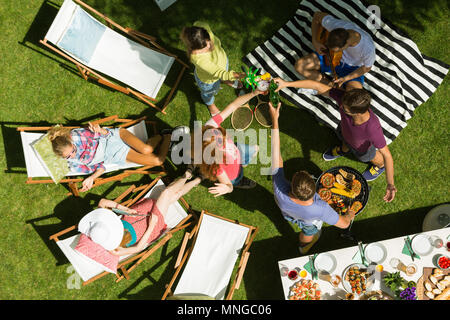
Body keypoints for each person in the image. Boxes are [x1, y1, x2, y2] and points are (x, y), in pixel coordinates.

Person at [274, 77, 397, 202]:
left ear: (357, 113)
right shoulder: (347, 100)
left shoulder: (372, 128)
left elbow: (387, 155)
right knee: (344, 141)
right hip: (345, 132)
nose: (341, 107)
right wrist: (286, 83)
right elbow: (317, 86)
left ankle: (380, 166)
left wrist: (390, 184)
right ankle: (342, 150)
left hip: (362, 149)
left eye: (345, 109)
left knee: (372, 158)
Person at [268, 100, 356, 254]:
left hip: (288, 212)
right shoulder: (320, 208)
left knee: (301, 225)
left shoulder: (280, 187)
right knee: (309, 230)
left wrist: (274, 120)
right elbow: (343, 224)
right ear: (314, 189)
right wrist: (350, 214)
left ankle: (303, 247)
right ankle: (305, 245)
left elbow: (275, 153)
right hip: (309, 221)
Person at [79, 171, 202, 256]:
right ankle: (188, 174)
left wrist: (125, 209)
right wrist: (152, 225)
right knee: (167, 193)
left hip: (138, 213)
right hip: (150, 226)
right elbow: (138, 248)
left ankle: (198, 179)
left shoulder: (104, 224)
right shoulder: (114, 248)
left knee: (172, 195)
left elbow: (102, 202)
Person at [48, 122, 170, 192]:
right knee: (157, 160)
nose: (73, 155)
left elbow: (106, 133)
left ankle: (164, 136)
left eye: (73, 150)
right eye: (68, 156)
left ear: (70, 141)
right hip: (116, 154)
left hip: (114, 137)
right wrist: (92, 178)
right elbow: (101, 166)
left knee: (147, 150)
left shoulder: (78, 135)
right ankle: (166, 136)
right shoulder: (74, 164)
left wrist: (100, 130)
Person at [189, 90, 262, 197]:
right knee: (237, 177)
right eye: (219, 141)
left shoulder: (211, 125)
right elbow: (228, 186)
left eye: (215, 131)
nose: (221, 134)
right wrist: (227, 188)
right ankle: (240, 182)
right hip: (233, 174)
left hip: (237, 151)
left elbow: (233, 105)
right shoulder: (215, 165)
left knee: (253, 149)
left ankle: (244, 162)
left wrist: (254, 93)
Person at [295, 11, 376, 91]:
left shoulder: (368, 48)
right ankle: (332, 87)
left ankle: (334, 90)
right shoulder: (338, 26)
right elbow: (317, 15)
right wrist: (315, 41)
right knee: (300, 66)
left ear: (347, 45)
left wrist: (345, 79)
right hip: (330, 56)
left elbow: (366, 68)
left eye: (337, 49)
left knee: (354, 92)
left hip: (352, 69)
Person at [180, 21, 245, 116]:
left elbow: (197, 23)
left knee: (223, 74)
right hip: (209, 80)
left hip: (222, 62)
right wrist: (243, 75)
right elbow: (221, 73)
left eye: (209, 41)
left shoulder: (201, 27)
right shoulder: (199, 59)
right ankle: (211, 105)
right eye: (206, 46)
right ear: (196, 50)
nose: (211, 45)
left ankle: (225, 81)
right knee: (208, 93)